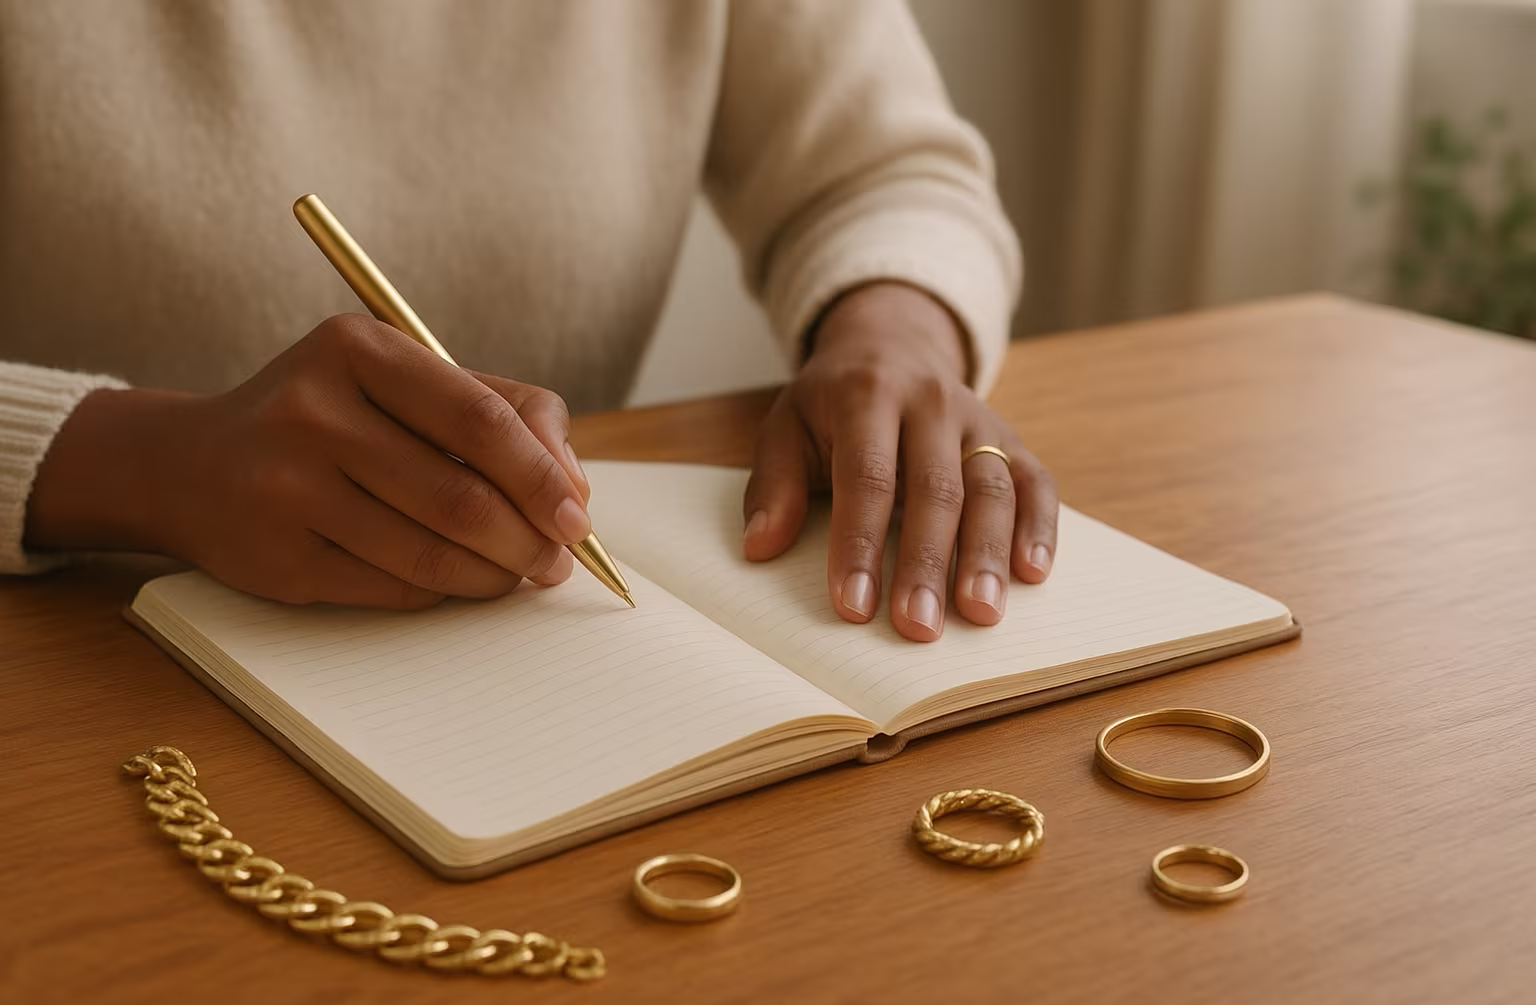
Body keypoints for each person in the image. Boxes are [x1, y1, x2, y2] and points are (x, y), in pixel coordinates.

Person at [0, 0, 1056, 643]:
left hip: (496, 649)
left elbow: (887, 169)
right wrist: (136, 463)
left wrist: (893, 333)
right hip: (76, 664)